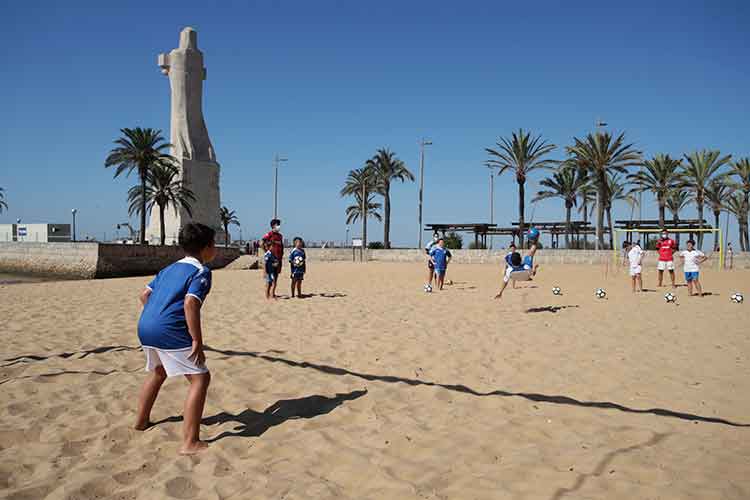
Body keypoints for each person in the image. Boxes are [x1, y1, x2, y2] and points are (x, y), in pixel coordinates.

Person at [134, 223, 215, 455]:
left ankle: (140, 422)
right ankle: (190, 442)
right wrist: (196, 340)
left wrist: (157, 314)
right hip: (168, 329)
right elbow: (191, 304)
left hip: (145, 326)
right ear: (206, 248)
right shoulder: (201, 271)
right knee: (200, 378)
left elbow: (144, 295)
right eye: (213, 244)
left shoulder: (169, 268)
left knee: (158, 372)